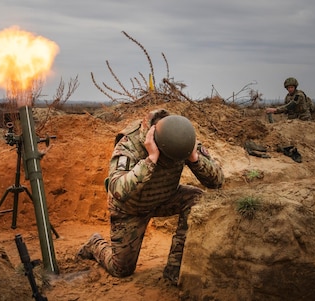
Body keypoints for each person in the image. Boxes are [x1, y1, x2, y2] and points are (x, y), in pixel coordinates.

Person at [77, 109, 224, 285]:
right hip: (131, 209)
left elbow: (217, 181)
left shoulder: (180, 138)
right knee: (121, 270)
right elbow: (117, 191)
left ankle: (174, 268)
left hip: (165, 198)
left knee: (196, 198)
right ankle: (94, 243)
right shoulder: (129, 145)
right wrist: (151, 159)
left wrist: (194, 158)